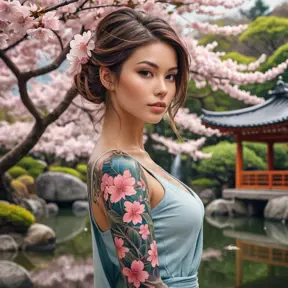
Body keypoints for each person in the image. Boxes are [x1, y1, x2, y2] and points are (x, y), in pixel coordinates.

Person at [73, 7, 204, 288]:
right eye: (146, 72)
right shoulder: (118, 168)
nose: (163, 89)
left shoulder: (134, 159)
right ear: (108, 77)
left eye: (170, 76)